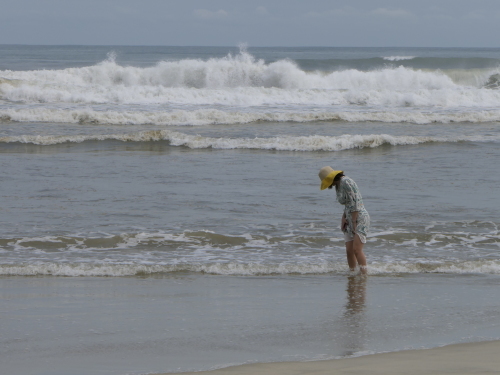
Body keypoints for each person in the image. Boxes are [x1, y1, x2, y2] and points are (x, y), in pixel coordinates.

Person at [318, 166, 370, 274]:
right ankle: (352, 274)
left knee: (356, 249)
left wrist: (355, 221)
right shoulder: (338, 184)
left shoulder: (347, 182)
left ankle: (363, 275)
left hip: (359, 217)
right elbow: (348, 204)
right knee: (349, 251)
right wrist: (343, 218)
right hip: (349, 218)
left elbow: (355, 202)